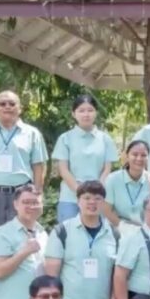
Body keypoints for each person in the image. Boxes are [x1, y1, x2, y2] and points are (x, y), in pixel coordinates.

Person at [43, 180, 119, 299]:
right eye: (87, 198)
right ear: (78, 201)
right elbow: (51, 276)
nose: (92, 202)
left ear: (103, 202)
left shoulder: (114, 234)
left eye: (97, 198)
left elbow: (117, 275)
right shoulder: (62, 231)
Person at [0, 90, 48, 236]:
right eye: (2, 104)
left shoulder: (32, 134)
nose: (7, 107)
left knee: (21, 237)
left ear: (20, 108)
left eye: (12, 104)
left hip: (22, 194)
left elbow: (39, 166)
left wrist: (37, 194)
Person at [51, 93, 118, 221]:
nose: (86, 114)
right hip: (70, 199)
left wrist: (94, 193)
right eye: (81, 111)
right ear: (73, 114)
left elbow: (107, 169)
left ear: (96, 113)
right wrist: (80, 191)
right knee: (68, 232)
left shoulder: (105, 139)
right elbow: (63, 170)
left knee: (97, 232)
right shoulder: (65, 138)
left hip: (97, 199)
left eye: (90, 110)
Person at [103, 140, 150, 237]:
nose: (139, 158)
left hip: (146, 233)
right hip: (117, 231)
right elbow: (107, 210)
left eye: (143, 155)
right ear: (127, 156)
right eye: (135, 154)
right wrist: (126, 228)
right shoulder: (113, 179)